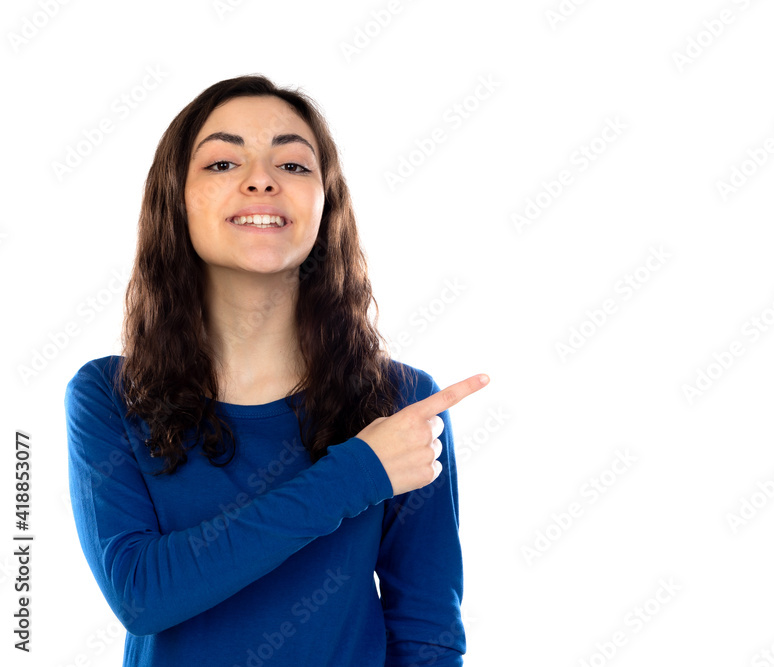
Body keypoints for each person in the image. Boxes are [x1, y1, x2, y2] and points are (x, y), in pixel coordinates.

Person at [64, 74, 487, 666]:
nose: (261, 179)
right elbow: (141, 592)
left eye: (292, 165)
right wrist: (359, 473)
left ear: (325, 203)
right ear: (176, 200)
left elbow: (427, 636)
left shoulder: (400, 400)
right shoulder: (110, 395)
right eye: (221, 163)